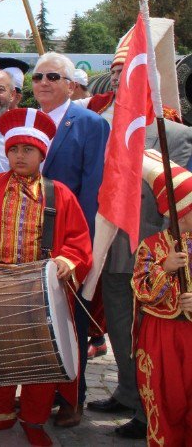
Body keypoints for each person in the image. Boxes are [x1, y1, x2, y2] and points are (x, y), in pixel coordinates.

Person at [0, 108, 92, 446]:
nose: (20, 156)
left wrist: (66, 262)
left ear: (41, 154)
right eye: (15, 149)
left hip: (43, 292)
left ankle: (34, 420)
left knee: (41, 359)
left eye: (28, 150)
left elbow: (78, 241)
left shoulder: (59, 193)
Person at [86, 119, 192, 439]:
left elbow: (177, 193)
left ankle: (154, 413)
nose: (122, 79)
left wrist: (166, 251)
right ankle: (130, 393)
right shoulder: (105, 129)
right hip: (114, 248)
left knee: (163, 357)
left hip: (154, 245)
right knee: (122, 333)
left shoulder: (175, 134)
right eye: (117, 73)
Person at [30, 51, 109, 425]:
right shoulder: (28, 122)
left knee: (70, 322)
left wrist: (84, 248)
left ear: (70, 84)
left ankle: (72, 399)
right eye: (37, 77)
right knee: (33, 321)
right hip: (25, 240)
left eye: (52, 77)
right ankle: (36, 396)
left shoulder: (90, 123)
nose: (43, 83)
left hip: (69, 242)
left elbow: (93, 188)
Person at [131, 150, 192, 447]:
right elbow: (141, 290)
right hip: (160, 335)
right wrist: (165, 269)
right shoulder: (151, 246)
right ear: (179, 212)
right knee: (164, 396)